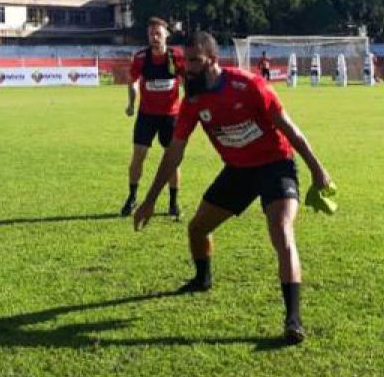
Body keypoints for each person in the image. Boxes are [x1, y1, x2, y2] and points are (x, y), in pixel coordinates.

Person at [133, 31, 334, 345]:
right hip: (238, 171)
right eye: (187, 62)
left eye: (196, 61)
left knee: (281, 231)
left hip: (274, 165)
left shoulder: (250, 85)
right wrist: (149, 201)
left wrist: (318, 171)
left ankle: (293, 319)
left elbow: (289, 129)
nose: (189, 69)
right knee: (197, 229)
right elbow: (175, 152)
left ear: (213, 60)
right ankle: (202, 279)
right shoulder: (193, 101)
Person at [122, 17, 184, 218]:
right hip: (146, 115)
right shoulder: (140, 58)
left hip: (171, 116)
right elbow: (132, 82)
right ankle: (132, 198)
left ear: (166, 34)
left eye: (158, 33)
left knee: (172, 160)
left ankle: (173, 204)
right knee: (138, 156)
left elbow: (186, 81)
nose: (154, 37)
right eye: (151, 34)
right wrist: (131, 104)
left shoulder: (176, 57)